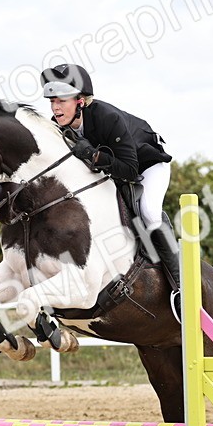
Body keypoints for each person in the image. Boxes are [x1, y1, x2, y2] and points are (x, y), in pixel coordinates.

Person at [39, 64, 181, 307]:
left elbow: (129, 169)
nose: (55, 107)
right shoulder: (58, 126)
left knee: (149, 212)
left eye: (62, 100)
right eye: (52, 101)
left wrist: (95, 157)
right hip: (111, 169)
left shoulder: (107, 118)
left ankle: (181, 287)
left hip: (147, 165)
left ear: (81, 101)